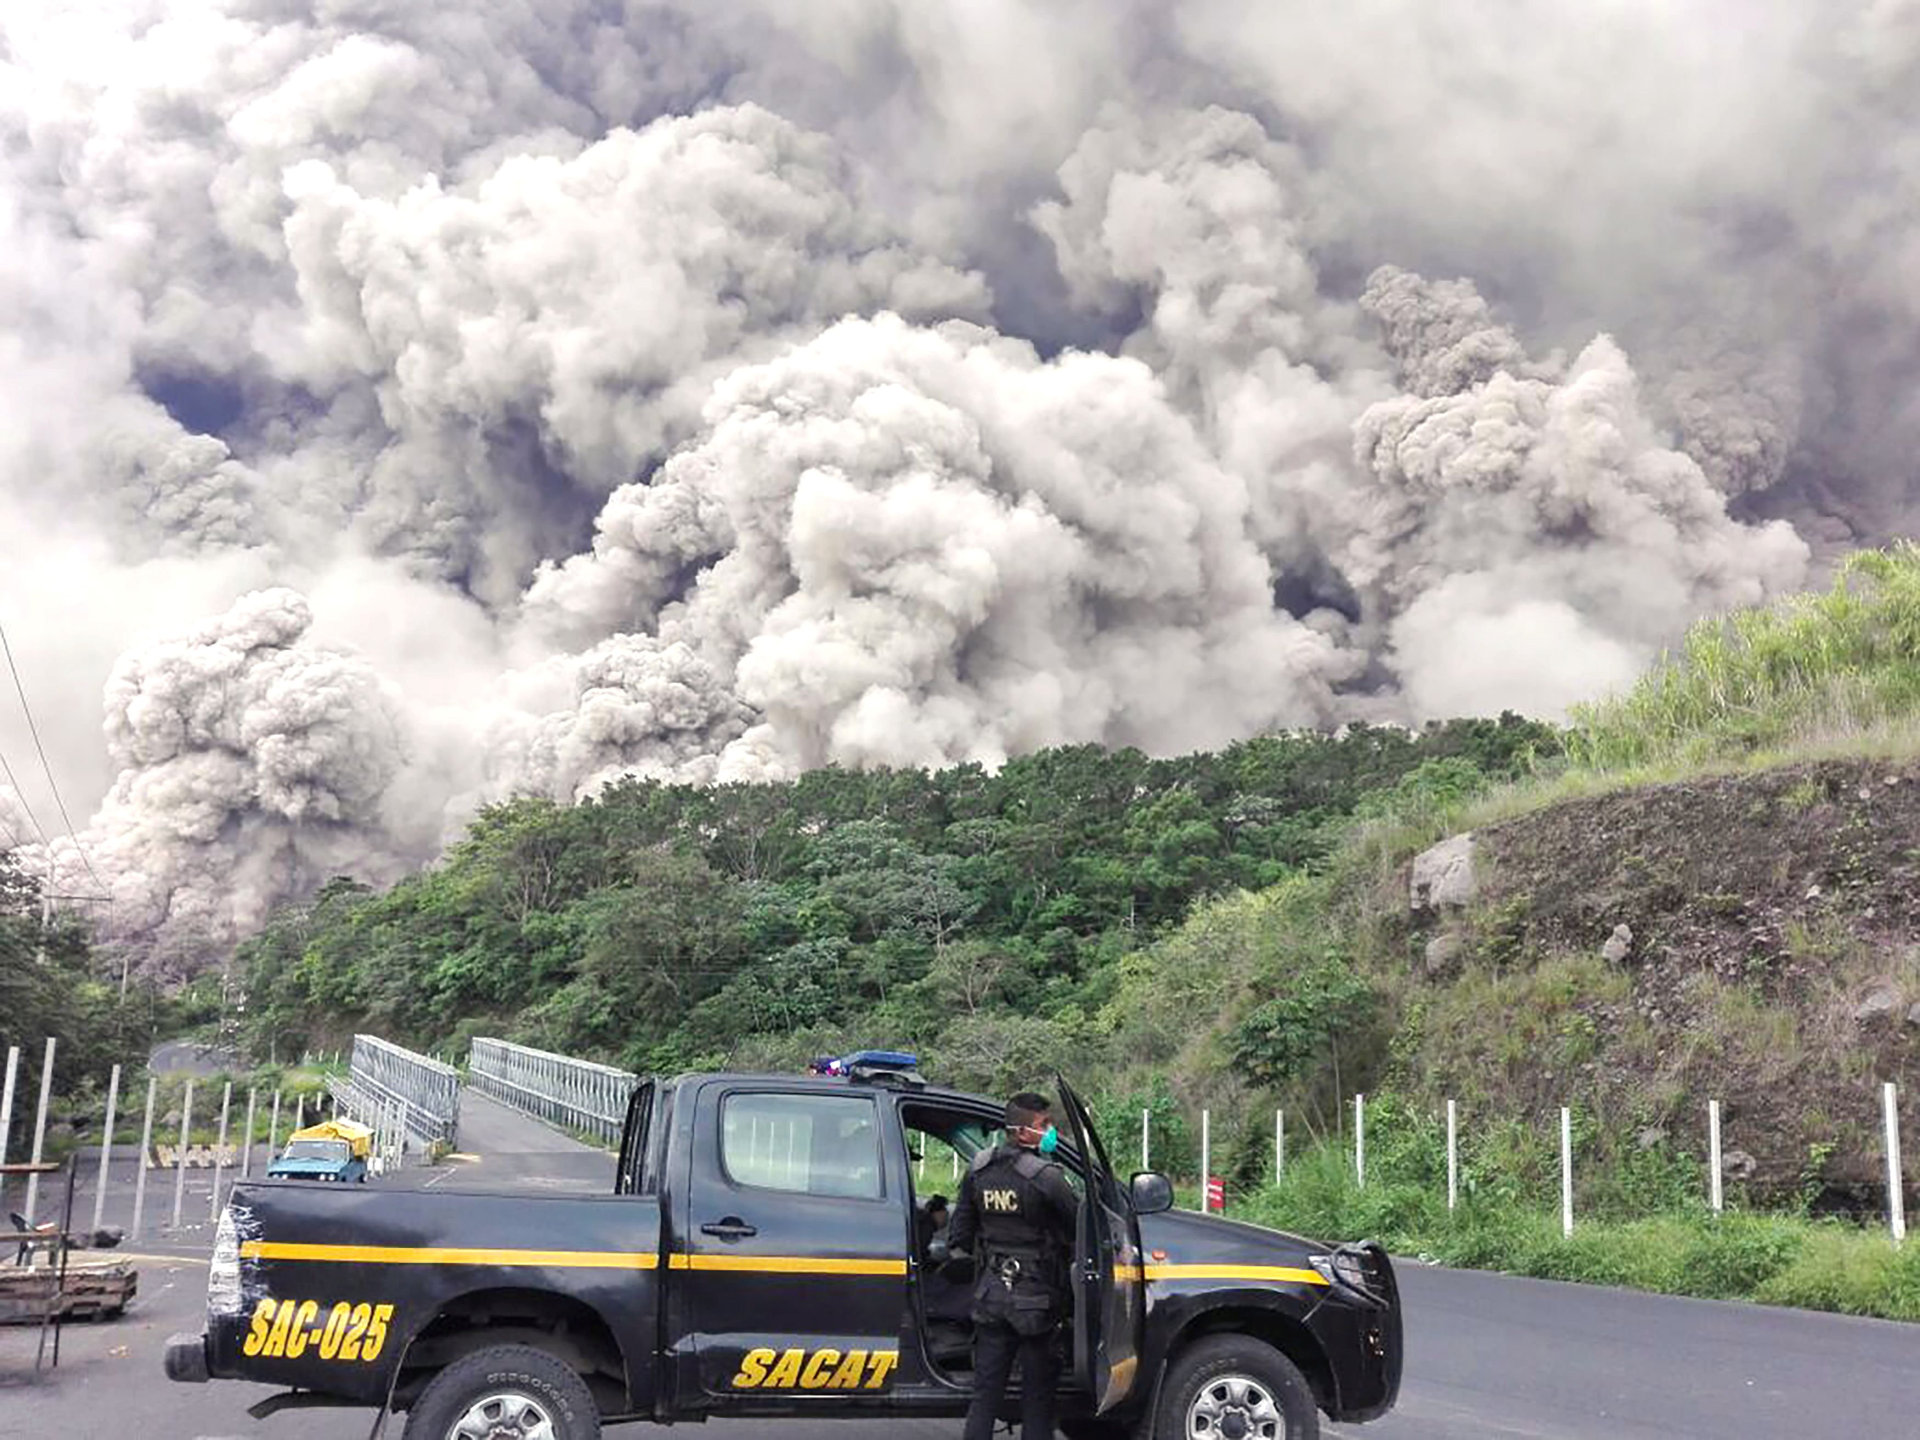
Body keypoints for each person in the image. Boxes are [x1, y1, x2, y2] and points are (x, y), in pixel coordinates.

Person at [947, 1091, 1079, 1440]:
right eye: (1044, 1125)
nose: (1051, 1131)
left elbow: (959, 1233)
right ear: (1022, 1132)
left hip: (992, 1296)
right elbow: (1079, 1228)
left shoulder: (979, 1169)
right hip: (1036, 1301)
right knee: (1037, 1399)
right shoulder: (1047, 1177)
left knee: (985, 1395)